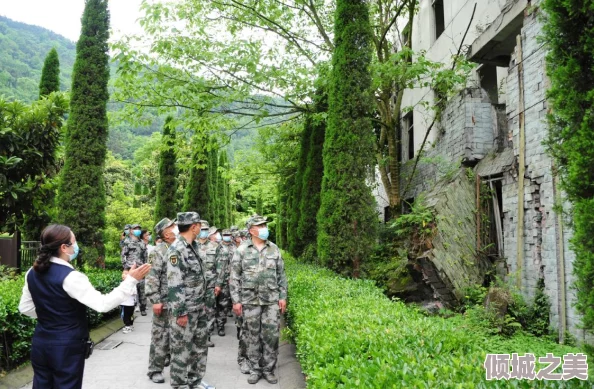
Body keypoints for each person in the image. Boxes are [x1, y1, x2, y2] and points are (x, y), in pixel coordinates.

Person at [18, 224, 151, 389]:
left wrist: (51, 315)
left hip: (41, 343)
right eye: (74, 242)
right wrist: (131, 281)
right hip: (66, 347)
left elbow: (25, 308)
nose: (76, 246)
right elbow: (102, 304)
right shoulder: (72, 277)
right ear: (64, 248)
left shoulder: (32, 271)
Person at [230, 215, 288, 384]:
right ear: (251, 230)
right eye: (260, 225)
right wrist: (236, 301)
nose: (264, 228)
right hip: (249, 300)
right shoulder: (241, 250)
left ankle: (268, 369)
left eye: (264, 225)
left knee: (271, 336)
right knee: (252, 336)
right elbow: (234, 277)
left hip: (271, 301)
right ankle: (255, 369)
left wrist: (283, 296)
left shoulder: (274, 249)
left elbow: (281, 275)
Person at [166, 212, 212, 389]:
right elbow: (175, 282)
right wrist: (180, 312)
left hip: (198, 307)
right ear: (194, 227)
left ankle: (195, 381)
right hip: (185, 310)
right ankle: (179, 384)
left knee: (199, 347)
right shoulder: (177, 249)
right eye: (199, 225)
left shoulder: (194, 247)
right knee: (181, 349)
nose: (201, 228)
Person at [145, 218, 177, 384]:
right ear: (166, 233)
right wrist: (155, 300)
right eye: (173, 226)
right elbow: (151, 277)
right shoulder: (157, 252)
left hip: (177, 302)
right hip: (163, 301)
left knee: (176, 335)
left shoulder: (178, 247)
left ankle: (174, 364)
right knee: (160, 336)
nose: (176, 227)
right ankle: (155, 370)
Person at [196, 222, 218, 347]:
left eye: (205, 230)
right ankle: (196, 336)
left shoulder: (215, 246)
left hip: (210, 284)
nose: (203, 232)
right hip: (195, 286)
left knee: (210, 310)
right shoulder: (191, 246)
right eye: (201, 229)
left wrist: (218, 284)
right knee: (195, 311)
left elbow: (220, 266)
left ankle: (207, 336)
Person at [121, 223, 148, 316]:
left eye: (139, 228)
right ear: (131, 230)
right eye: (136, 228)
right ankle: (131, 309)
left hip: (140, 269)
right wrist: (125, 268)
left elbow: (145, 256)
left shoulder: (142, 243)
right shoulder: (127, 242)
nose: (138, 230)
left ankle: (143, 308)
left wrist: (145, 267)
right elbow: (123, 255)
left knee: (142, 290)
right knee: (131, 291)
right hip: (130, 269)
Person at [120, 270, 137, 334]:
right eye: (123, 273)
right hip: (124, 303)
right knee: (126, 315)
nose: (123, 275)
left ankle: (128, 326)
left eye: (126, 274)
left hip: (129, 303)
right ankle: (129, 325)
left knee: (128, 315)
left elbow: (134, 292)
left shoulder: (132, 284)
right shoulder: (122, 283)